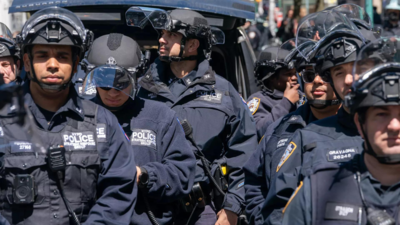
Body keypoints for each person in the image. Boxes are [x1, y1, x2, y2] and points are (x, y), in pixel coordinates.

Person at [0, 7, 138, 224]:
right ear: (27, 62)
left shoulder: (102, 123)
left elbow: (119, 192)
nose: (53, 65)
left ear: (75, 64)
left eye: (62, 56)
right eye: (42, 55)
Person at [136, 8, 258, 225]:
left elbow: (246, 155)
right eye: (162, 33)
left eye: (171, 34)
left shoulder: (225, 93)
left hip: (201, 212)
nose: (161, 39)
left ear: (193, 45)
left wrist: (232, 207)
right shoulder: (141, 89)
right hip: (145, 208)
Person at [263, 9, 375, 225]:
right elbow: (279, 209)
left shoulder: (392, 129)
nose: (349, 80)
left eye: (356, 68)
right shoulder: (307, 137)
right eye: (339, 72)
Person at [282, 35, 400, 225]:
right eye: (381, 114)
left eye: (357, 69)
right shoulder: (318, 189)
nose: (394, 126)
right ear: (361, 124)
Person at [82, 33, 196, 225]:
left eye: (121, 82)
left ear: (135, 77)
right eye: (103, 80)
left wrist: (144, 175)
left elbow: (183, 174)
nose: (112, 91)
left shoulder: (159, 116)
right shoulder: (77, 115)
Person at [244, 39, 341, 225]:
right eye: (310, 75)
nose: (317, 81)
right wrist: (262, 219)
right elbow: (254, 182)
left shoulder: (361, 129)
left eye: (326, 75)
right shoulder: (279, 128)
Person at [247, 45, 305, 139]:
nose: (294, 78)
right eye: (288, 74)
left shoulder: (303, 97)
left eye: (294, 73)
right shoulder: (259, 100)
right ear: (271, 77)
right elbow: (258, 130)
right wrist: (286, 103)